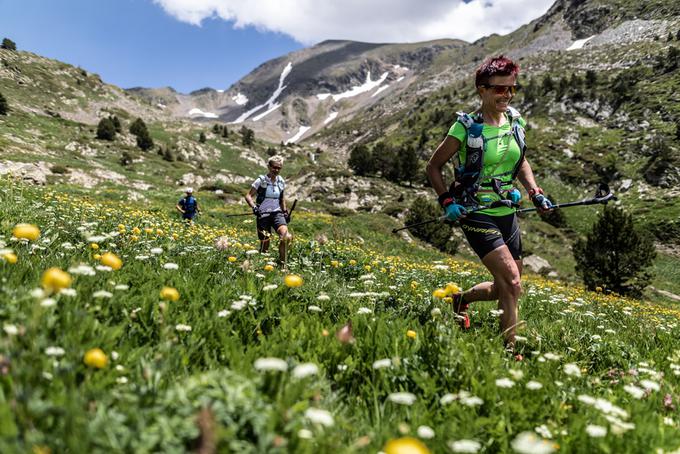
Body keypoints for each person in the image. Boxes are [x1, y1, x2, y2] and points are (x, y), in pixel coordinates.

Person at [426, 55, 553, 354]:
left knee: (508, 286)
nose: (507, 95)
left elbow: (521, 161)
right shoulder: (465, 127)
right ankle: (512, 353)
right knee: (511, 280)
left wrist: (534, 192)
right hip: (473, 210)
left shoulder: (515, 122)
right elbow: (433, 167)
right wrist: (447, 201)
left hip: (506, 209)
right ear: (481, 90)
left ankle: (461, 299)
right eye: (500, 89)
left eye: (512, 89)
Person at [244, 155, 293, 265]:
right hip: (263, 215)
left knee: (287, 237)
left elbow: (281, 199)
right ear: (269, 166)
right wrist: (254, 208)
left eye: (279, 168)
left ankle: (282, 264)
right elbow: (248, 196)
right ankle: (264, 267)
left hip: (277, 214)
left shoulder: (281, 181)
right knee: (265, 246)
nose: (276, 170)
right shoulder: (261, 180)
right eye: (274, 167)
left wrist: (285, 212)